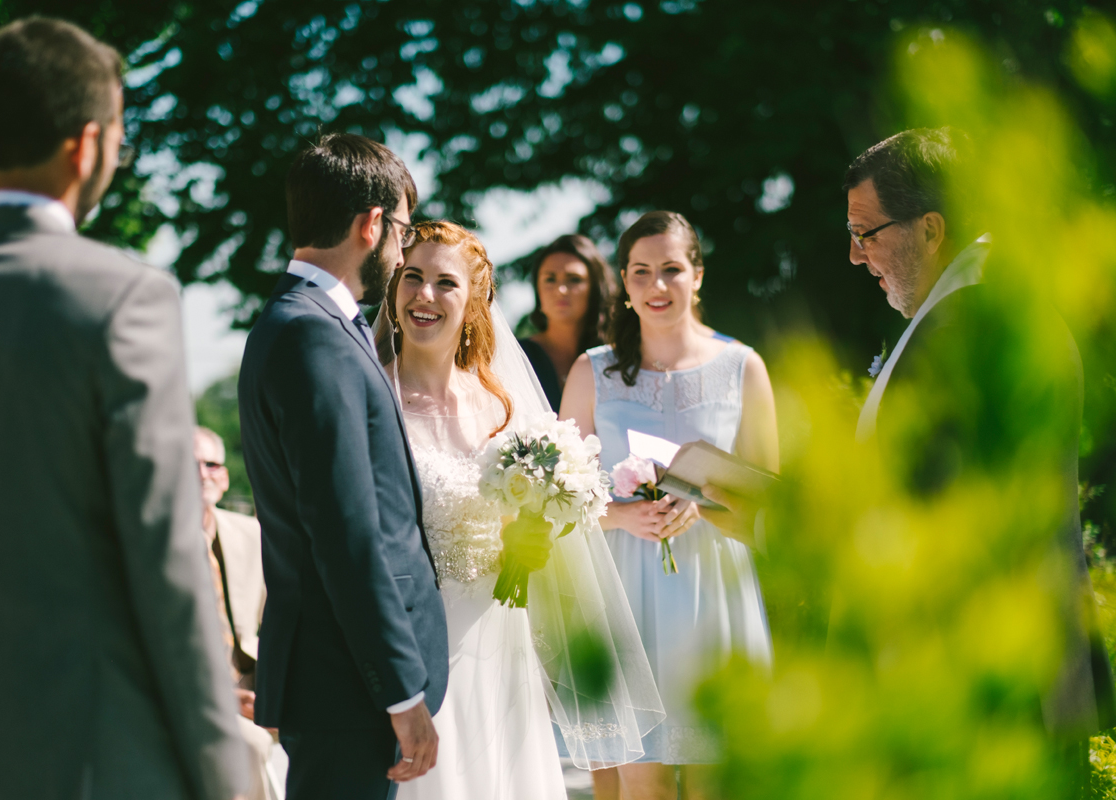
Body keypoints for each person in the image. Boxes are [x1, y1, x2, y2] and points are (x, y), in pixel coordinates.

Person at [0, 17, 248, 800]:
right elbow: (166, 557)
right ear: (86, 144)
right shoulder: (121, 298)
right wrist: (220, 769)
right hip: (94, 754)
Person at [375, 220, 664, 800]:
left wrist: (530, 542)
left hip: (501, 642)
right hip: (415, 649)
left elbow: (527, 527)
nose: (424, 295)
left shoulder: (499, 406)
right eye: (412, 277)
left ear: (475, 300)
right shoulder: (372, 397)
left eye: (445, 282)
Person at [844, 128, 1115, 746]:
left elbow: (937, 513)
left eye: (866, 233)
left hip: (987, 692)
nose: (856, 256)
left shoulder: (968, 329)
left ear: (932, 230)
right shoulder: (971, 311)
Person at [238, 134, 448, 800]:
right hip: (347, 684)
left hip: (342, 680)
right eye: (402, 231)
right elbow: (347, 530)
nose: (402, 251)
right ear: (372, 223)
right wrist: (399, 691)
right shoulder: (311, 335)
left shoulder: (307, 324)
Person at [560, 210, 778, 800]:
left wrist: (703, 508)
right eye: (641, 272)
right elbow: (559, 497)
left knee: (717, 776)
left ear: (698, 275)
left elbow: (771, 507)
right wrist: (622, 514)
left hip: (715, 588)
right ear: (625, 284)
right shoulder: (592, 372)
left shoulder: (743, 368)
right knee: (640, 777)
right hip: (623, 590)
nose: (657, 286)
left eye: (672, 270)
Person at [194, 427, 276, 800]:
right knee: (253, 745)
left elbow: (278, 618)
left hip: (260, 687)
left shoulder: (252, 533)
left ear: (225, 478)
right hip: (197, 695)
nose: (200, 473)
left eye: (210, 464)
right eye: (187, 463)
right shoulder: (156, 545)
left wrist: (279, 692)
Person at [519, 234, 615, 412]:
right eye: (550, 279)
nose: (561, 290)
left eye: (574, 279)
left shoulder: (615, 358)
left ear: (595, 288)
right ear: (537, 289)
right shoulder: (518, 357)